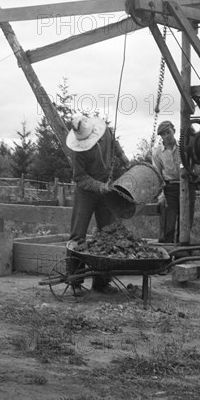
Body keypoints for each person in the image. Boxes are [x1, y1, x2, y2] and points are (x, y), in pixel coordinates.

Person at [66, 113, 129, 292]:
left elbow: (114, 144)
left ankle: (102, 282)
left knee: (107, 232)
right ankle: (75, 281)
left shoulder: (105, 131)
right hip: (86, 191)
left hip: (106, 186)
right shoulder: (77, 150)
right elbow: (79, 177)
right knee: (78, 235)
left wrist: (122, 155)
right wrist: (98, 186)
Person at [152, 120, 181, 243]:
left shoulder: (184, 147)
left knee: (185, 222)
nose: (167, 136)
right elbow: (157, 175)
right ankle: (168, 251)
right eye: (163, 134)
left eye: (168, 132)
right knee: (169, 223)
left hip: (186, 186)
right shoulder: (157, 152)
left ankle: (182, 253)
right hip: (170, 189)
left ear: (174, 131)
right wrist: (161, 194)